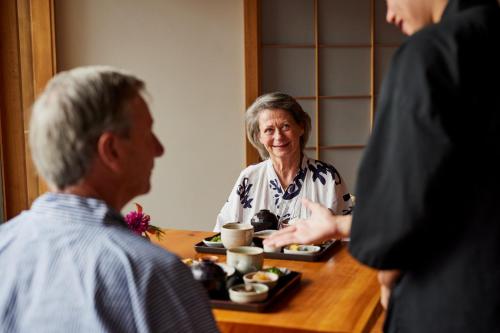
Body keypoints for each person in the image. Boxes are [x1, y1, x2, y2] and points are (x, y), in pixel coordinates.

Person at [266, 0, 500, 332]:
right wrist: (339, 225)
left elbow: (395, 223)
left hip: (460, 301)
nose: (389, 14)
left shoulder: (433, 52)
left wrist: (386, 275)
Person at [0, 66, 219, 333]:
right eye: (148, 133)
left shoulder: (5, 245)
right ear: (112, 150)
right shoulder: (150, 275)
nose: (159, 149)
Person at [214, 92, 352, 232]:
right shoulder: (249, 177)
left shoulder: (327, 177)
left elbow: (349, 236)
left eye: (286, 126)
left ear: (301, 127)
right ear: (259, 136)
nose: (278, 137)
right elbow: (222, 233)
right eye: (269, 130)